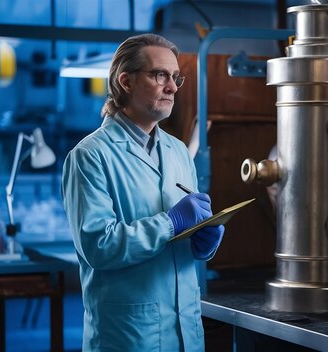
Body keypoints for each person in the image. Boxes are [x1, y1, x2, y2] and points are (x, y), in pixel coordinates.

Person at [61, 33, 225, 352]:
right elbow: (99, 246)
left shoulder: (178, 152)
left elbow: (182, 235)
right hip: (128, 335)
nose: (173, 87)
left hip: (185, 332)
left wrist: (203, 241)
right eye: (159, 75)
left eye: (175, 77)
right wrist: (169, 223)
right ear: (126, 81)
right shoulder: (90, 156)